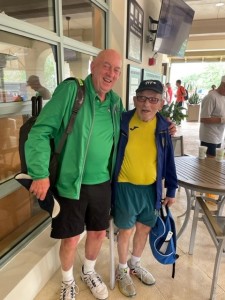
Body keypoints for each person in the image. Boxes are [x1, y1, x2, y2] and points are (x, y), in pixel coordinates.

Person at [25, 49, 176, 300]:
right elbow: (40, 132)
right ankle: (67, 280)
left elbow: (144, 117)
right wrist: (40, 173)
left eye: (116, 70)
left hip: (104, 183)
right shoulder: (73, 92)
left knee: (97, 232)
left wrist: (167, 124)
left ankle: (89, 271)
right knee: (72, 238)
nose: (111, 73)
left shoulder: (115, 104)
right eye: (106, 66)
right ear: (93, 66)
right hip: (71, 183)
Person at [112, 79, 178, 297]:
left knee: (144, 228)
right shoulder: (121, 120)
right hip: (124, 187)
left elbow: (169, 161)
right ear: (134, 99)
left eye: (153, 99)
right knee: (125, 230)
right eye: (142, 98)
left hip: (151, 190)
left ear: (160, 103)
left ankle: (135, 263)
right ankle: (122, 270)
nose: (146, 104)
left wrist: (172, 190)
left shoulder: (163, 128)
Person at [199, 75, 225, 158]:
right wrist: (222, 120)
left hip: (219, 135)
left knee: (216, 161)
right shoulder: (211, 97)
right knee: (209, 163)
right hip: (209, 136)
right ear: (223, 85)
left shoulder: (223, 97)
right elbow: (203, 119)